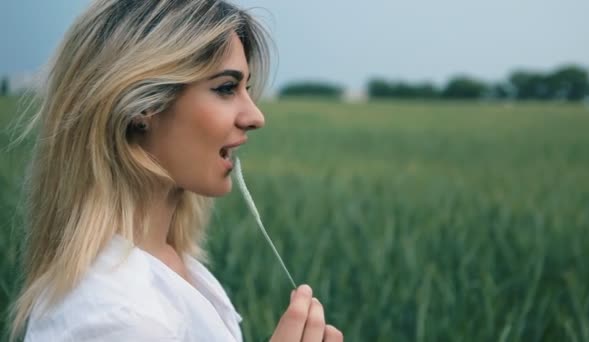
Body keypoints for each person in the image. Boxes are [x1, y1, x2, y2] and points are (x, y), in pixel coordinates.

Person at [9, 1, 343, 341]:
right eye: (226, 88)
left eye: (246, 88)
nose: (255, 116)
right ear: (142, 105)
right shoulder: (120, 319)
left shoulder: (172, 266)